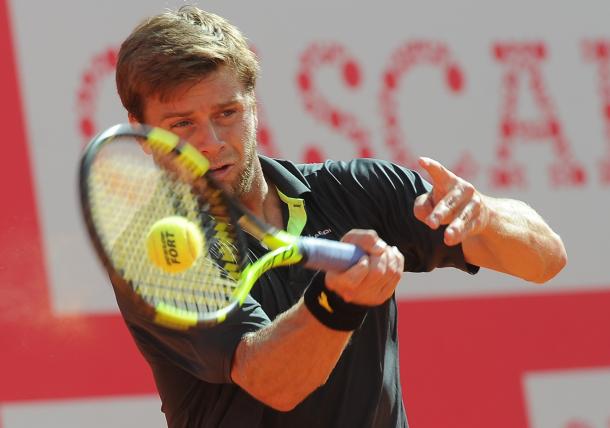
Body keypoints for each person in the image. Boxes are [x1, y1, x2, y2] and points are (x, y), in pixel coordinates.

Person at [112, 5, 567, 428]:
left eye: (226, 113)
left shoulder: (357, 189)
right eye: (182, 124)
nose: (210, 141)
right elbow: (271, 380)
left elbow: (545, 259)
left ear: (252, 105)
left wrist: (485, 214)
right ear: (143, 131)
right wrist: (338, 301)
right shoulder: (159, 252)